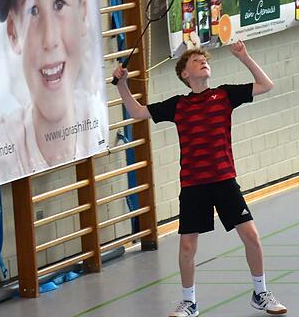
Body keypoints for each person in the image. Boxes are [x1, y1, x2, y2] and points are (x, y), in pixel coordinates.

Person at [113, 41, 287, 316]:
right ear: (185, 74)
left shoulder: (225, 95)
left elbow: (266, 85)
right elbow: (136, 112)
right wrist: (122, 84)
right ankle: (189, 302)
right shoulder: (178, 106)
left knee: (251, 237)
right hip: (193, 184)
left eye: (204, 60)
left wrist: (245, 57)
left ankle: (260, 292)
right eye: (195, 61)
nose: (203, 63)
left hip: (224, 179)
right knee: (187, 246)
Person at [0, 0, 106, 174]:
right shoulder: (4, 149)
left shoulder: (97, 119)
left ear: (83, 10)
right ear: (12, 31)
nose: (50, 39)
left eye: (59, 4)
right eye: (33, 10)